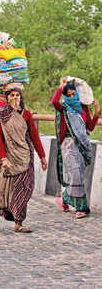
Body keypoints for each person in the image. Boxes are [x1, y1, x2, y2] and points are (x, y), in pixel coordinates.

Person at [0, 86, 47, 232]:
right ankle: (4, 212)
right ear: (7, 98)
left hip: (25, 156)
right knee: (6, 188)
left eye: (17, 95)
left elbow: (34, 136)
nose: (15, 98)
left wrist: (42, 157)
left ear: (21, 98)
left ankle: (17, 220)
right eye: (12, 95)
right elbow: (0, 138)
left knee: (25, 187)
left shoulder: (26, 115)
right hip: (10, 156)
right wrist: (3, 158)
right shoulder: (1, 116)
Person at [53, 79, 100, 219]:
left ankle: (65, 198)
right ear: (65, 95)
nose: (72, 97)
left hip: (82, 145)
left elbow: (90, 127)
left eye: (74, 94)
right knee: (75, 175)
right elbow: (54, 102)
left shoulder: (83, 108)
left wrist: (97, 111)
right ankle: (82, 207)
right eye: (69, 95)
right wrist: (60, 87)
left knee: (79, 175)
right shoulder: (64, 108)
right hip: (68, 144)